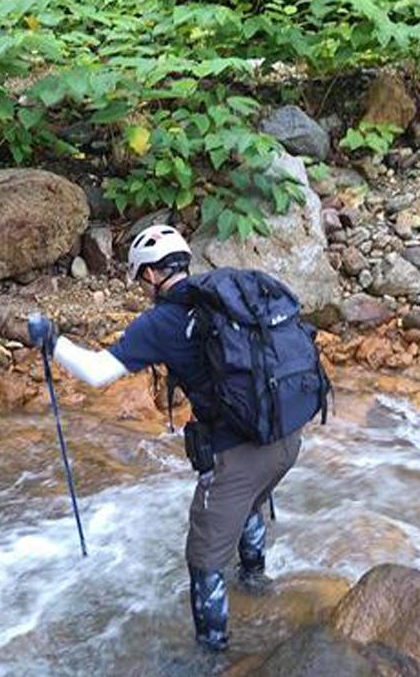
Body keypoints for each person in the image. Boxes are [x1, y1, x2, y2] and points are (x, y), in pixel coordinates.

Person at [30, 224, 315, 652]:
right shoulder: (229, 298)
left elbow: (96, 372)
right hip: (286, 435)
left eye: (141, 277)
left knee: (203, 559)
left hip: (237, 454)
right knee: (250, 502)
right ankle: (256, 585)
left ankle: (212, 655)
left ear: (149, 275)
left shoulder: (160, 321)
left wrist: (53, 343)